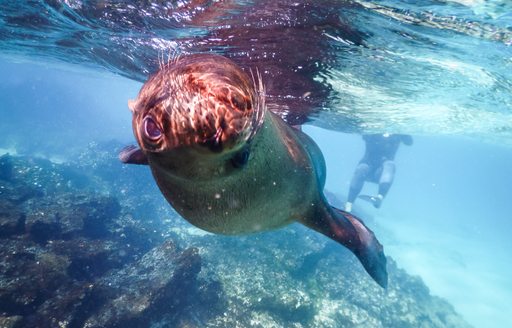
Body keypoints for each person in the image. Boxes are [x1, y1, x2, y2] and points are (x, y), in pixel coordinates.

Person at [344, 133, 413, 212]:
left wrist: (400, 132)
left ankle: (380, 197)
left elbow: (409, 142)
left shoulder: (397, 131)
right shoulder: (374, 126)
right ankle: (349, 204)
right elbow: (361, 132)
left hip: (381, 173)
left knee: (390, 165)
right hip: (367, 166)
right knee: (362, 169)